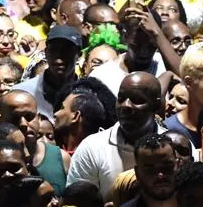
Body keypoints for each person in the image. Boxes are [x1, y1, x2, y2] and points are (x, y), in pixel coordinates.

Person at [67, 72, 164, 200]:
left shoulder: (176, 145)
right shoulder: (92, 148)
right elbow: (76, 201)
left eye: (137, 100)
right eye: (121, 98)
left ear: (156, 106)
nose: (126, 105)